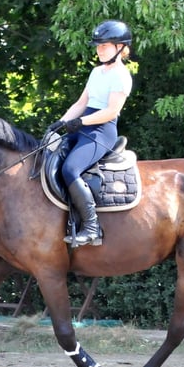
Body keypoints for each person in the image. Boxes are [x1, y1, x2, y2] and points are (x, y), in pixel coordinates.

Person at [46, 19, 134, 247]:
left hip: (101, 131)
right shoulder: (96, 72)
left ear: (120, 48)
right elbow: (81, 102)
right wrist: (62, 121)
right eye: (98, 46)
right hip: (82, 125)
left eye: (104, 45)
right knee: (47, 155)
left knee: (70, 169)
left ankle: (92, 228)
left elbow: (111, 111)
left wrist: (81, 121)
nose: (99, 50)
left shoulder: (122, 76)